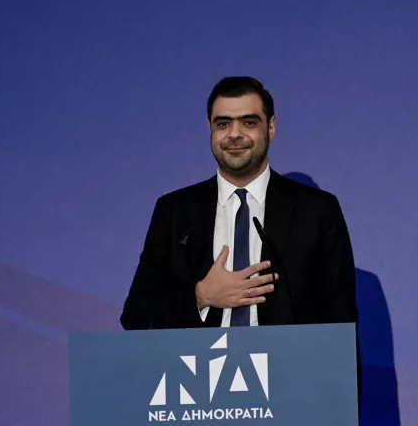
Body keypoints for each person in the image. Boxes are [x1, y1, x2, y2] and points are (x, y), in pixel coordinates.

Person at [120, 76, 357, 329]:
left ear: (271, 128)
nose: (234, 134)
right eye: (223, 124)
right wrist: (202, 295)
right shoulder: (174, 211)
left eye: (248, 122)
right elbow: (136, 316)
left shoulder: (317, 210)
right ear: (210, 129)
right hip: (198, 355)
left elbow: (342, 323)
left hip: (288, 355)